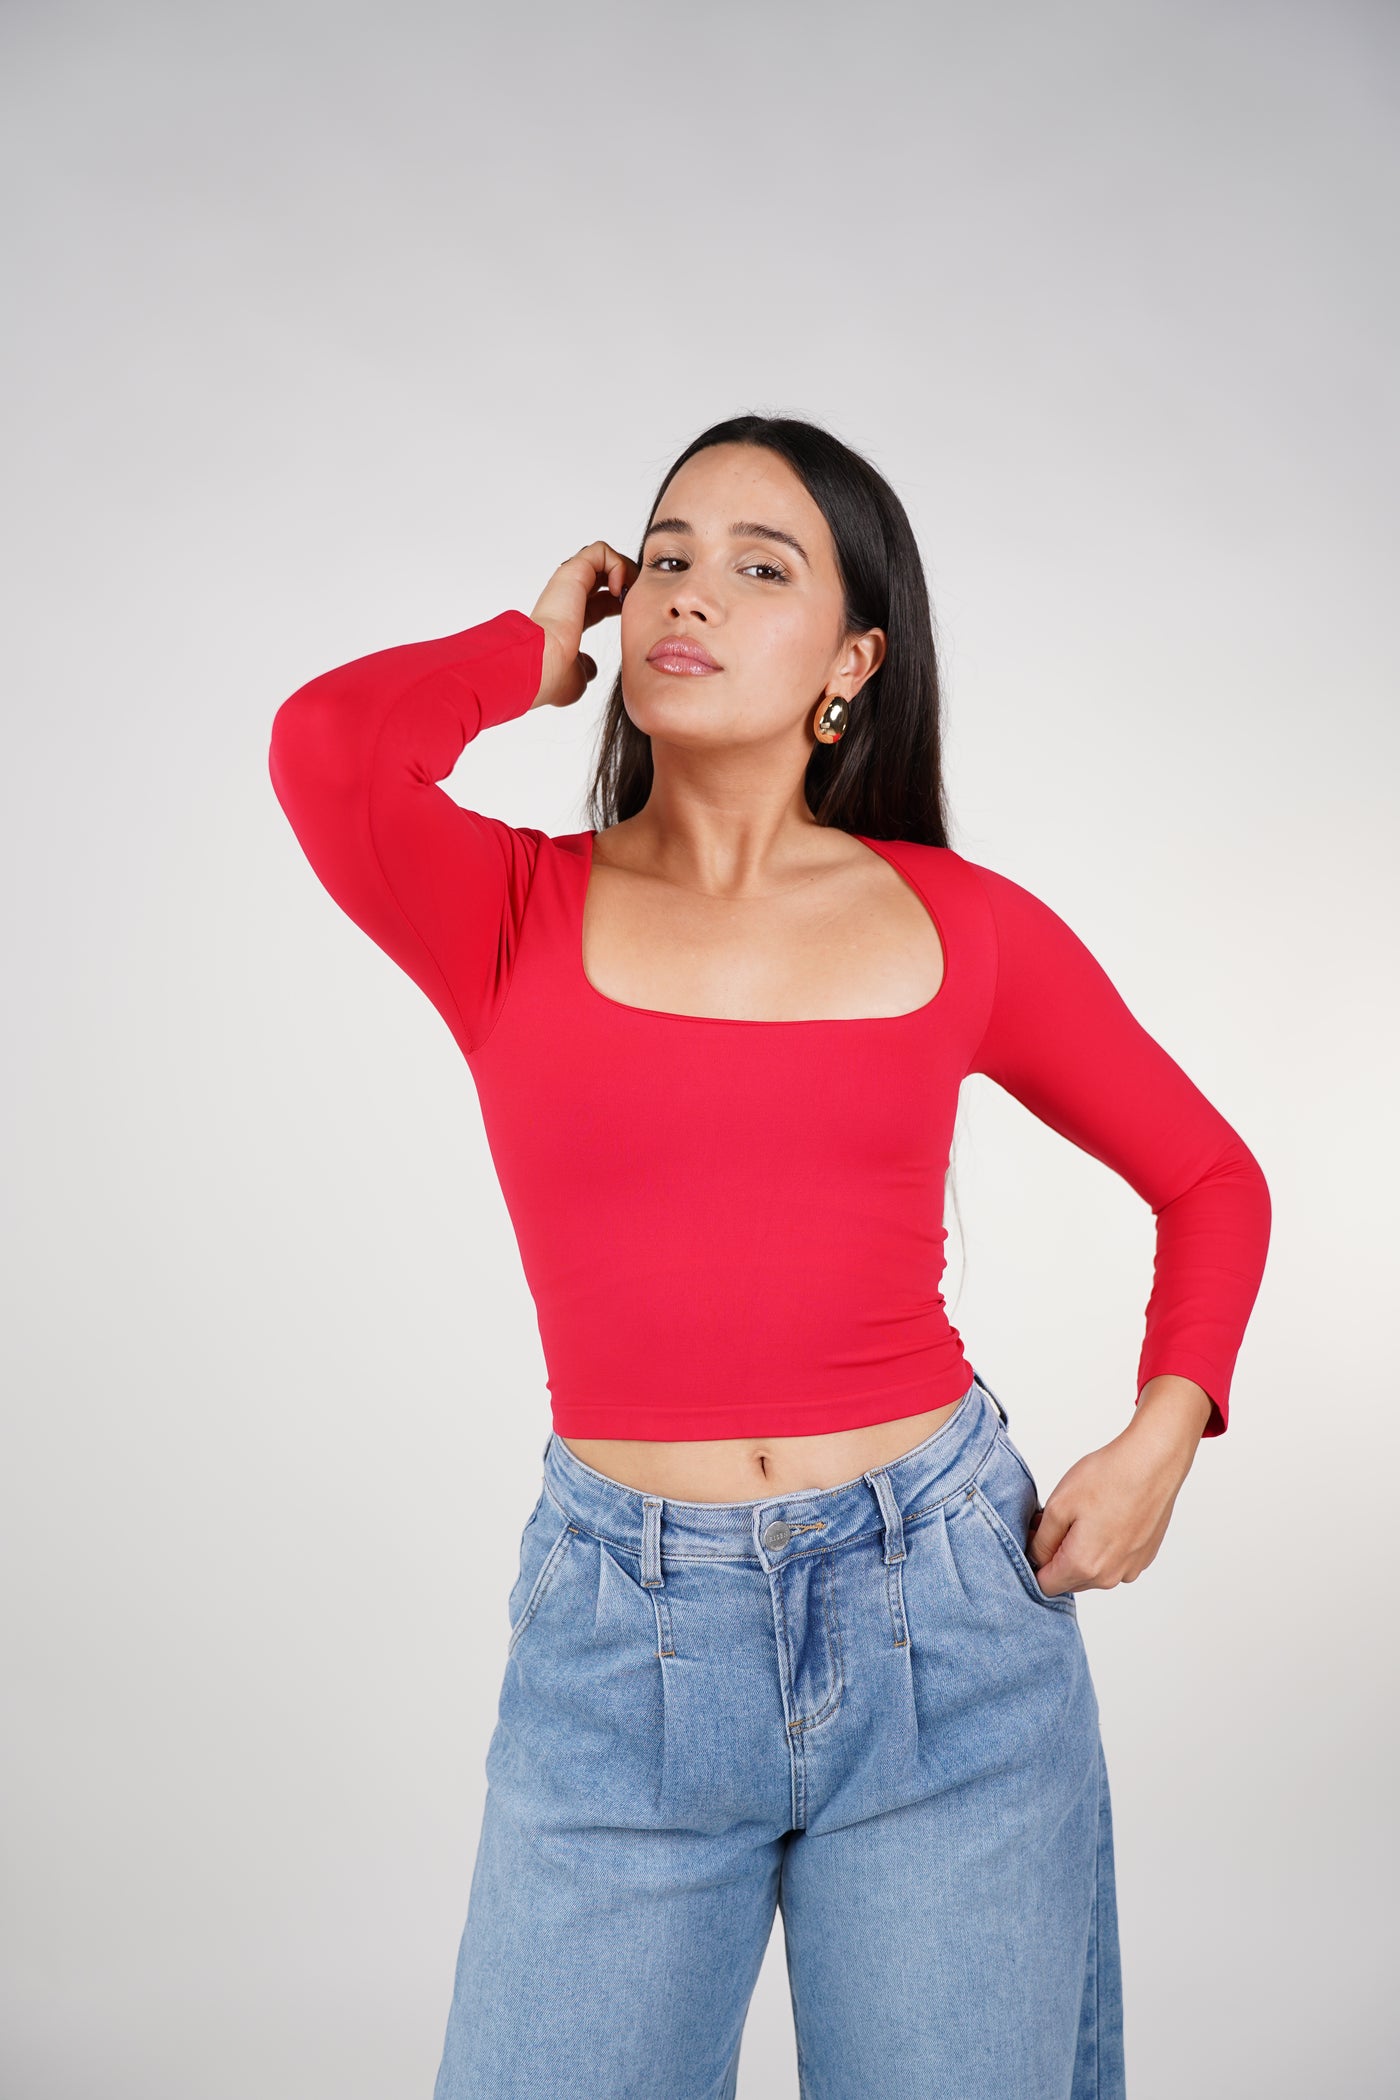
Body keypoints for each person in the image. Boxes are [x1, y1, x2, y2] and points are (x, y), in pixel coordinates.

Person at [267, 414, 1271, 2100]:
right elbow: (329, 745)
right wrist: (529, 651)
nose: (691, 593)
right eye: (667, 555)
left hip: (950, 1627)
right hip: (622, 1648)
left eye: (759, 566)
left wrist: (1166, 1430)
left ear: (852, 663)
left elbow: (1211, 1177)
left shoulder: (963, 924)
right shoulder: (506, 909)